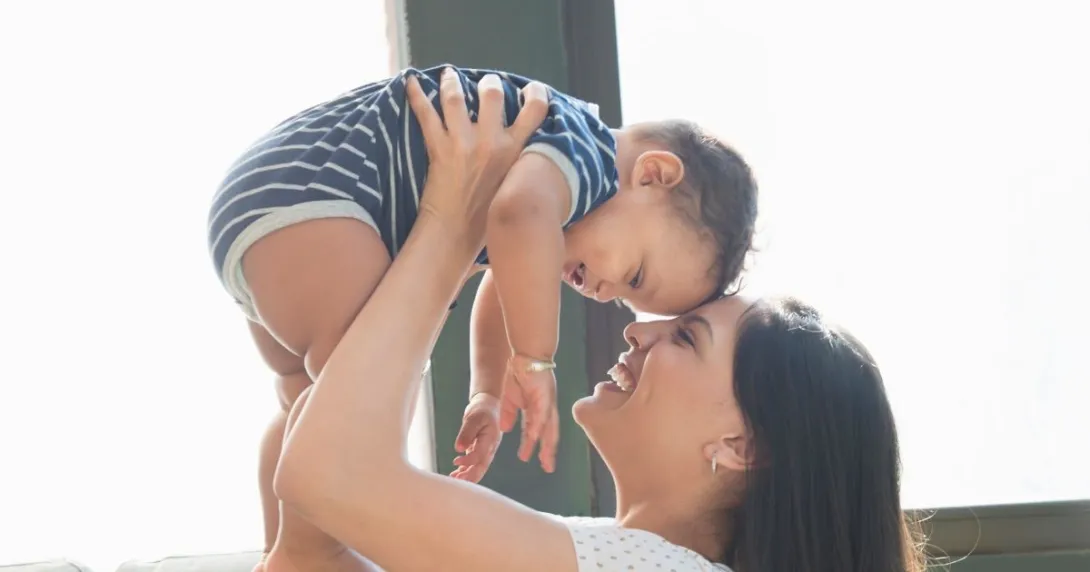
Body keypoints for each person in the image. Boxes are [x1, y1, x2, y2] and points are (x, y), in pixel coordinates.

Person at [270, 72, 926, 571]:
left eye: (687, 337)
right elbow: (320, 492)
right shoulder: (605, 553)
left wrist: (453, 216)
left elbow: (327, 475)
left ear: (744, 445)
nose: (635, 329)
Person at [207, 63, 759, 560]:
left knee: (308, 396)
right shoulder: (582, 152)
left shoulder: (550, 187)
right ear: (655, 174)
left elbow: (504, 273)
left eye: (623, 294)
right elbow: (518, 218)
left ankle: (288, 550)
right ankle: (310, 554)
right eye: (633, 275)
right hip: (320, 201)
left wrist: (488, 392)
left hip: (272, 204)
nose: (605, 293)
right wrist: (537, 358)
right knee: (362, 383)